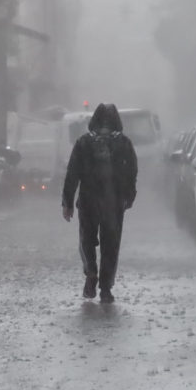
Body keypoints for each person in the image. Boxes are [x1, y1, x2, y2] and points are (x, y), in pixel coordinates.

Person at [62, 103, 138, 303]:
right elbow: (132, 172)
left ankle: (91, 271)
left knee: (86, 239)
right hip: (113, 202)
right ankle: (105, 288)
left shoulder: (83, 143)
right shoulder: (123, 143)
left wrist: (67, 202)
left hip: (88, 201)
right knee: (110, 244)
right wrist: (129, 195)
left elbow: (72, 173)